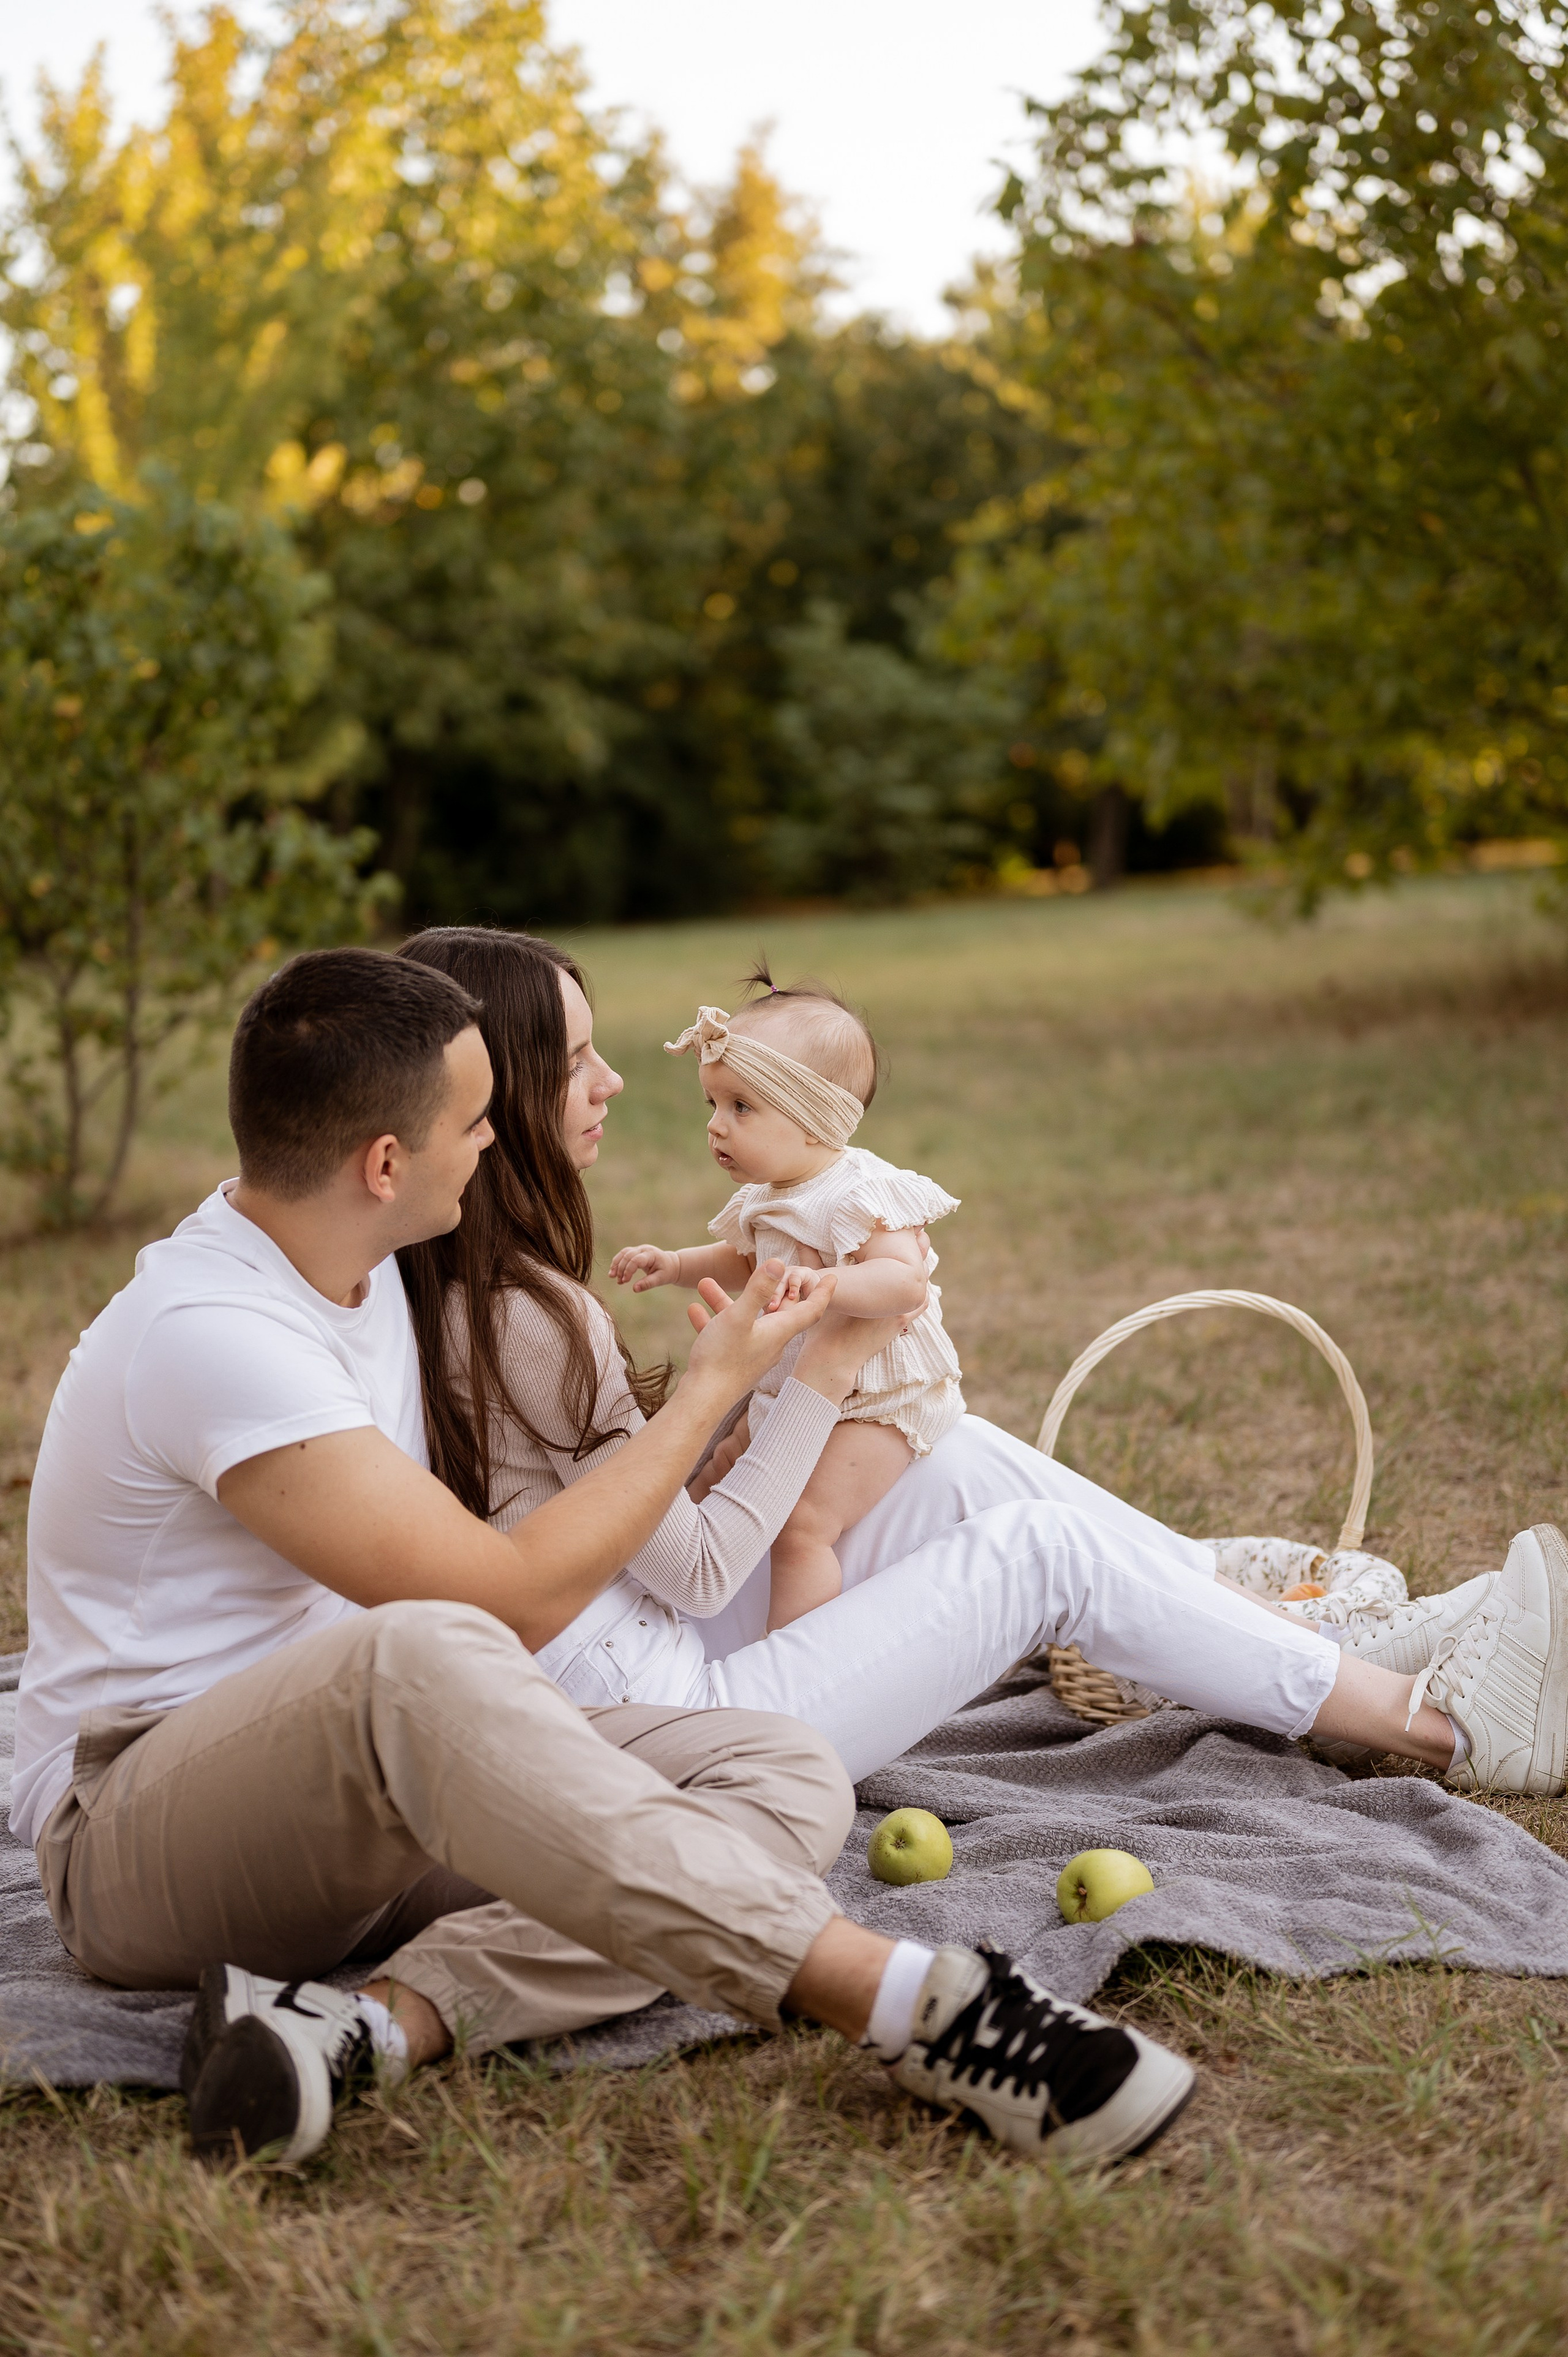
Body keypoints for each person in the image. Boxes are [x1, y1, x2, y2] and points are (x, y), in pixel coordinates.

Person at [13, 948, 1197, 2172]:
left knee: (784, 1774)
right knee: (422, 1647)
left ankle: (367, 2027)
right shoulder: (215, 1333)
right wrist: (707, 1391)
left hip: (362, 1806)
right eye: (474, 1124)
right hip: (141, 1834)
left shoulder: (352, 1268)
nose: (493, 1143)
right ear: (382, 1163)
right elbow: (500, 1594)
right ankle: (918, 2006)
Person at [396, 924, 1568, 1809]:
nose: (609, 1082)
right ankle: (1440, 1725)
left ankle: (1352, 1645)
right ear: (492, 1087)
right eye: (579, 1059)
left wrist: (746, 1407)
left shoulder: (469, 1282)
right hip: (681, 1719)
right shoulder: (522, 1318)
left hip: (643, 1646)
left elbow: (613, 1517)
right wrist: (812, 1369)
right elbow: (700, 1573)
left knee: (942, 1454)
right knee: (1037, 1547)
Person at [611, 973, 963, 1629]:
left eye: (740, 1107)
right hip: (792, 1390)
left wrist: (831, 1283)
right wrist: (676, 1263)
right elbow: (744, 1261)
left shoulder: (858, 1192)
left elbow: (903, 1282)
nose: (716, 1127)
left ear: (814, 1121)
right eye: (712, 1104)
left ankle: (800, 1653)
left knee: (802, 1524)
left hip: (873, 1402)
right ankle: (658, 1609)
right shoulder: (768, 1193)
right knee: (715, 1467)